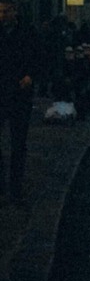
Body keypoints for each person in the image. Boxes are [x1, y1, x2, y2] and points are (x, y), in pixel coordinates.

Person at [0, 16, 38, 204]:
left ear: (14, 11)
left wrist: (30, 76)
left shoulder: (27, 32)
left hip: (20, 94)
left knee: (19, 143)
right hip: (2, 91)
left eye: (6, 11)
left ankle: (16, 188)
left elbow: (38, 57)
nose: (2, 15)